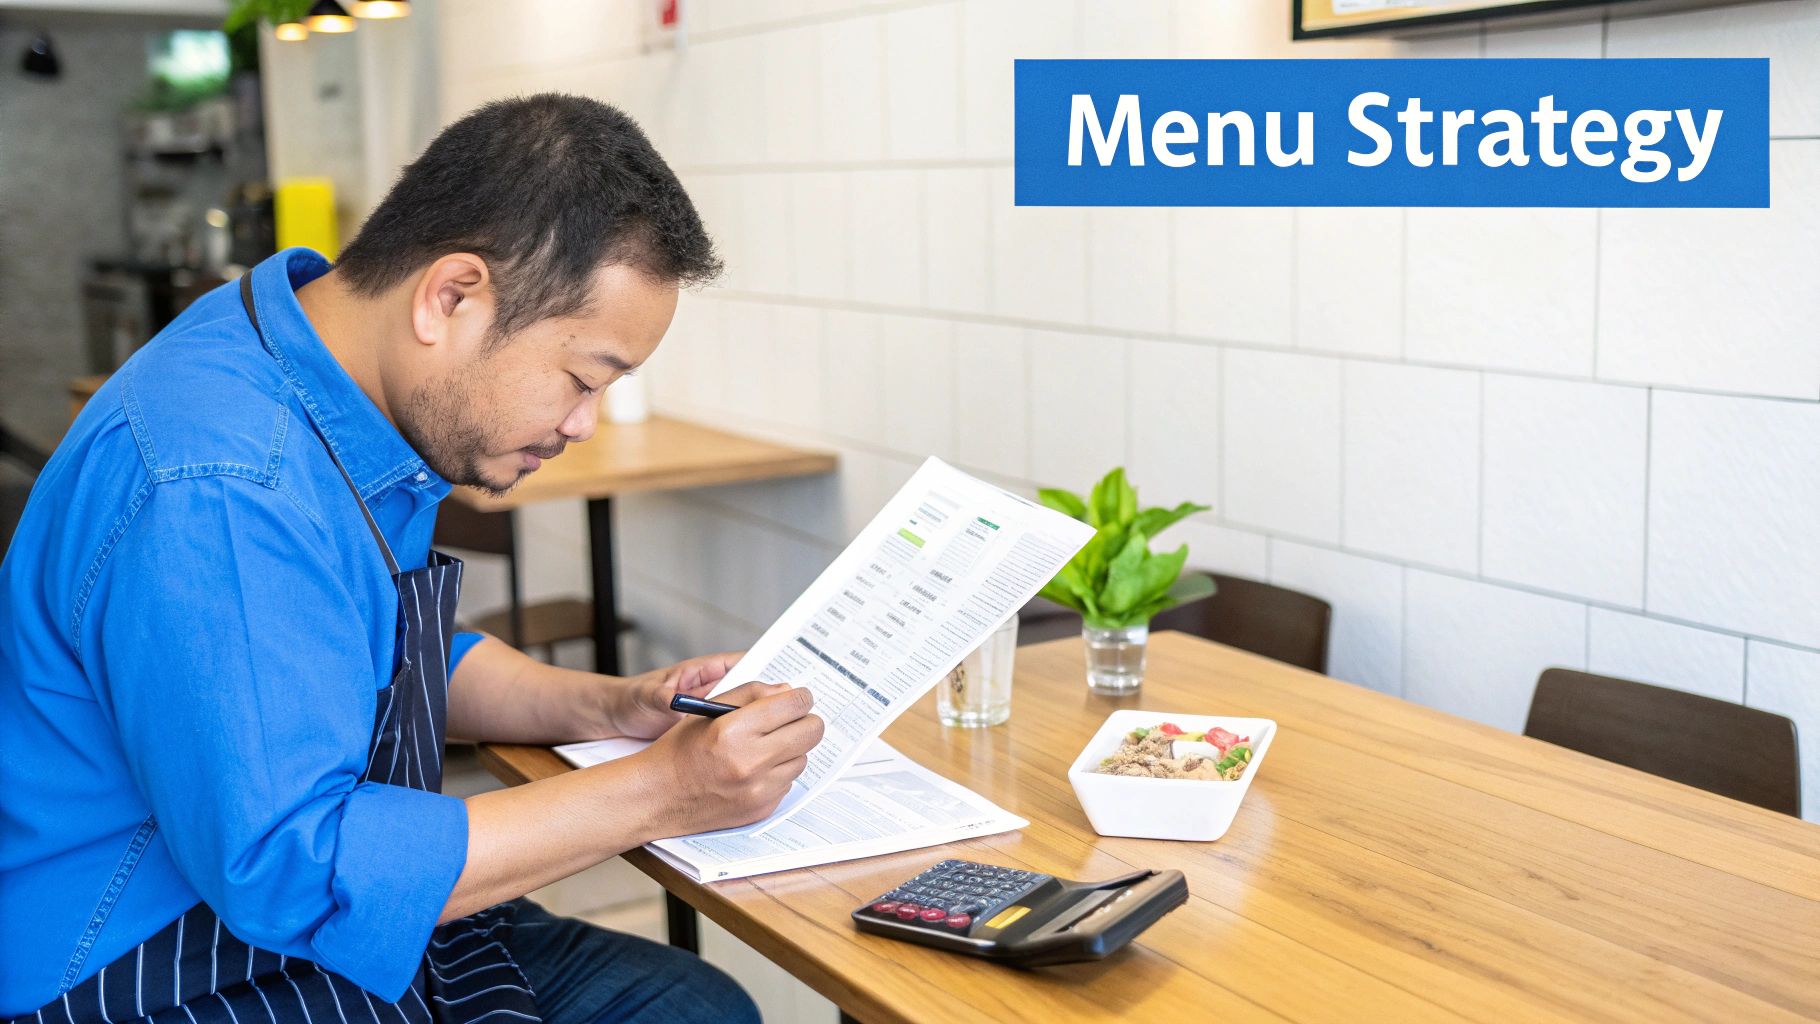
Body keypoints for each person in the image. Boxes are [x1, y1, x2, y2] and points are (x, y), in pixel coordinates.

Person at [0, 93, 823, 1024]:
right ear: (451, 296)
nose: (583, 423)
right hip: (160, 959)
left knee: (687, 1002)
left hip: (279, 899)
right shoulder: (225, 480)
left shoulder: (316, 366)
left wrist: (610, 704)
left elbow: (383, 651)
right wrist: (665, 792)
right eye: (581, 377)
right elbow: (293, 872)